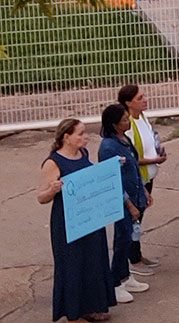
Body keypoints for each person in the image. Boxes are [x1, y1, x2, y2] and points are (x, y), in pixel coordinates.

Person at [39, 118, 117, 321]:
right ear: (67, 137)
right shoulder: (53, 162)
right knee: (72, 264)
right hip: (68, 221)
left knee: (93, 261)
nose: (85, 137)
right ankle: (73, 311)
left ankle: (91, 307)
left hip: (90, 217)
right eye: (80, 134)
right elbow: (41, 197)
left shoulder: (83, 153)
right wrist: (52, 190)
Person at [98, 103, 150, 302]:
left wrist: (144, 190)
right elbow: (112, 180)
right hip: (122, 202)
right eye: (124, 121)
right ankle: (115, 282)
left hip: (135, 194)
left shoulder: (124, 139)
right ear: (114, 124)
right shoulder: (108, 147)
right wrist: (129, 204)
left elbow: (134, 167)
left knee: (128, 238)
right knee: (122, 240)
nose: (128, 122)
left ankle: (125, 276)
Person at [116, 85, 165, 275]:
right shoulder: (128, 126)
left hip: (147, 178)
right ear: (128, 103)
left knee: (139, 218)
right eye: (139, 98)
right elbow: (131, 158)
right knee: (133, 218)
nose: (145, 100)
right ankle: (131, 261)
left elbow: (150, 140)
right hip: (136, 181)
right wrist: (154, 160)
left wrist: (158, 151)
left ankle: (136, 254)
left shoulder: (142, 117)